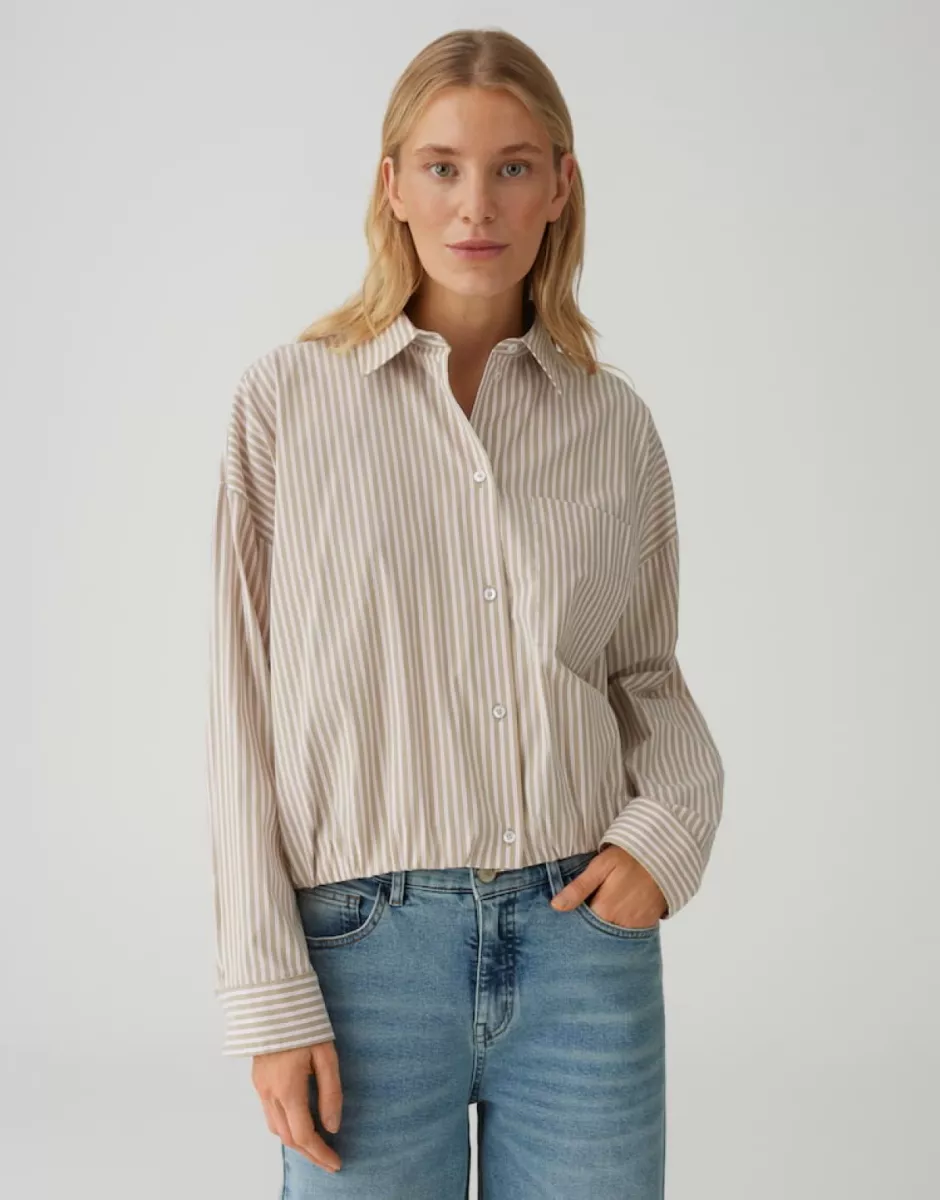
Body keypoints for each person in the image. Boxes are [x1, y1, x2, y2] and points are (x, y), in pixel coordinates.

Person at [206, 25, 724, 1200]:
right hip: (360, 954)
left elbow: (647, 677)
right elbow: (238, 709)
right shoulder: (287, 403)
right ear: (391, 185)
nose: (475, 203)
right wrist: (268, 994)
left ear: (560, 186)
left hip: (581, 943)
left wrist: (666, 835)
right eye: (441, 166)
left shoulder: (611, 423)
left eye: (511, 166)